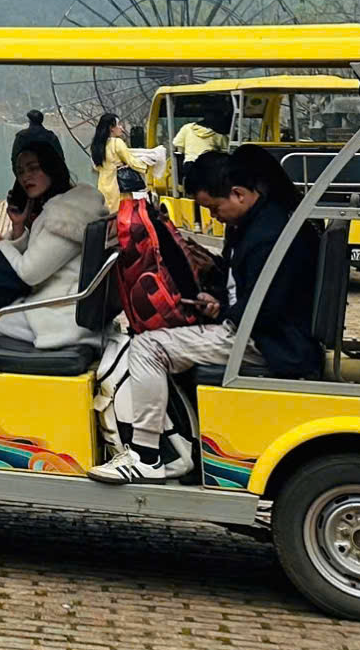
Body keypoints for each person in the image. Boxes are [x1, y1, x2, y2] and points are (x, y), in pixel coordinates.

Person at [91, 145, 320, 483]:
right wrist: (216, 303)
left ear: (238, 194)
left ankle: (145, 456)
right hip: (261, 330)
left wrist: (223, 313)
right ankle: (183, 444)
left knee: (146, 347)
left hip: (268, 342)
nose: (214, 217)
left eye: (214, 208)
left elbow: (264, 310)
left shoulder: (269, 237)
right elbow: (252, 294)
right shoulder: (260, 222)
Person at [0, 127, 107, 362]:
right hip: (62, 307)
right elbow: (39, 253)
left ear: (52, 167)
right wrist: (18, 227)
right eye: (20, 172)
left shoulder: (63, 216)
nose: (25, 177)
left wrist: (1, 244)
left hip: (58, 318)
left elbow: (29, 273)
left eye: (33, 168)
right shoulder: (73, 204)